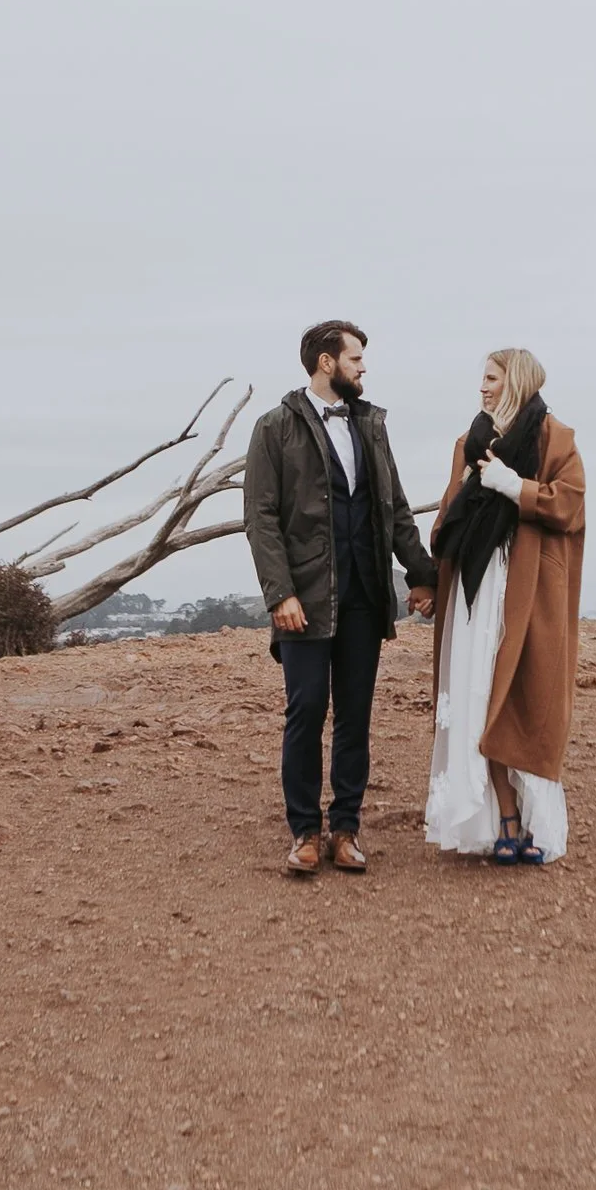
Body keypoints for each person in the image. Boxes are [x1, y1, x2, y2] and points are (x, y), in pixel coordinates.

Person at [243, 320, 438, 876]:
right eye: (355, 358)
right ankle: (305, 831)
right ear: (326, 363)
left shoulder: (371, 426)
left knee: (355, 716)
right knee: (305, 710)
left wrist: (424, 576)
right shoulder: (274, 427)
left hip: (363, 595)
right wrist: (279, 592)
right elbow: (259, 518)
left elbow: (395, 511)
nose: (363, 368)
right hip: (303, 598)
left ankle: (346, 828)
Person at [423, 348, 585, 865]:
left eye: (491, 379)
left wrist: (515, 487)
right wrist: (429, 576)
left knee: (525, 699)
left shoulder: (553, 437)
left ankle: (536, 821)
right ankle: (504, 820)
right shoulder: (467, 444)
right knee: (478, 700)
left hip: (527, 590)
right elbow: (447, 516)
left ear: (515, 381)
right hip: (475, 590)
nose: (483, 388)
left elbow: (570, 504)